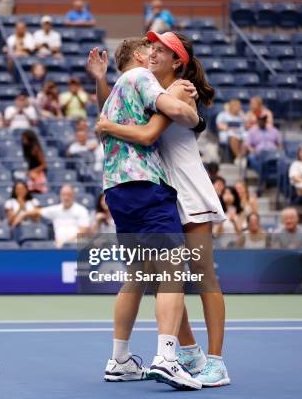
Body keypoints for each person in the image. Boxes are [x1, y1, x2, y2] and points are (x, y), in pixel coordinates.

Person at [87, 35, 216, 389]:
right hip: (145, 186)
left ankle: (120, 360)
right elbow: (173, 114)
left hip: (116, 191)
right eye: (150, 50)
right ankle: (167, 358)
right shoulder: (140, 76)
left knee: (138, 277)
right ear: (139, 56)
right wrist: (192, 111)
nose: (154, 53)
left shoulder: (115, 94)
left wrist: (99, 81)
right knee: (173, 272)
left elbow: (107, 116)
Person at [14, 184, 90, 247]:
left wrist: (66, 243)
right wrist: (23, 214)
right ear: (60, 196)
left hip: (76, 247)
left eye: (69, 195)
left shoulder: (81, 210)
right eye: (63, 195)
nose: (66, 197)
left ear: (73, 196)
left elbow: (84, 231)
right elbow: (38, 211)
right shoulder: (55, 210)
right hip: (59, 247)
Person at [216, 99, 247, 163]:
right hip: (227, 133)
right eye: (236, 106)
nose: (238, 107)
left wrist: (243, 115)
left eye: (239, 106)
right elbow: (219, 126)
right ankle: (239, 157)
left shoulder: (241, 116)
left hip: (240, 133)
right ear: (230, 106)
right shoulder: (222, 115)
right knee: (232, 136)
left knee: (247, 137)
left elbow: (246, 126)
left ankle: (243, 157)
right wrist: (229, 128)